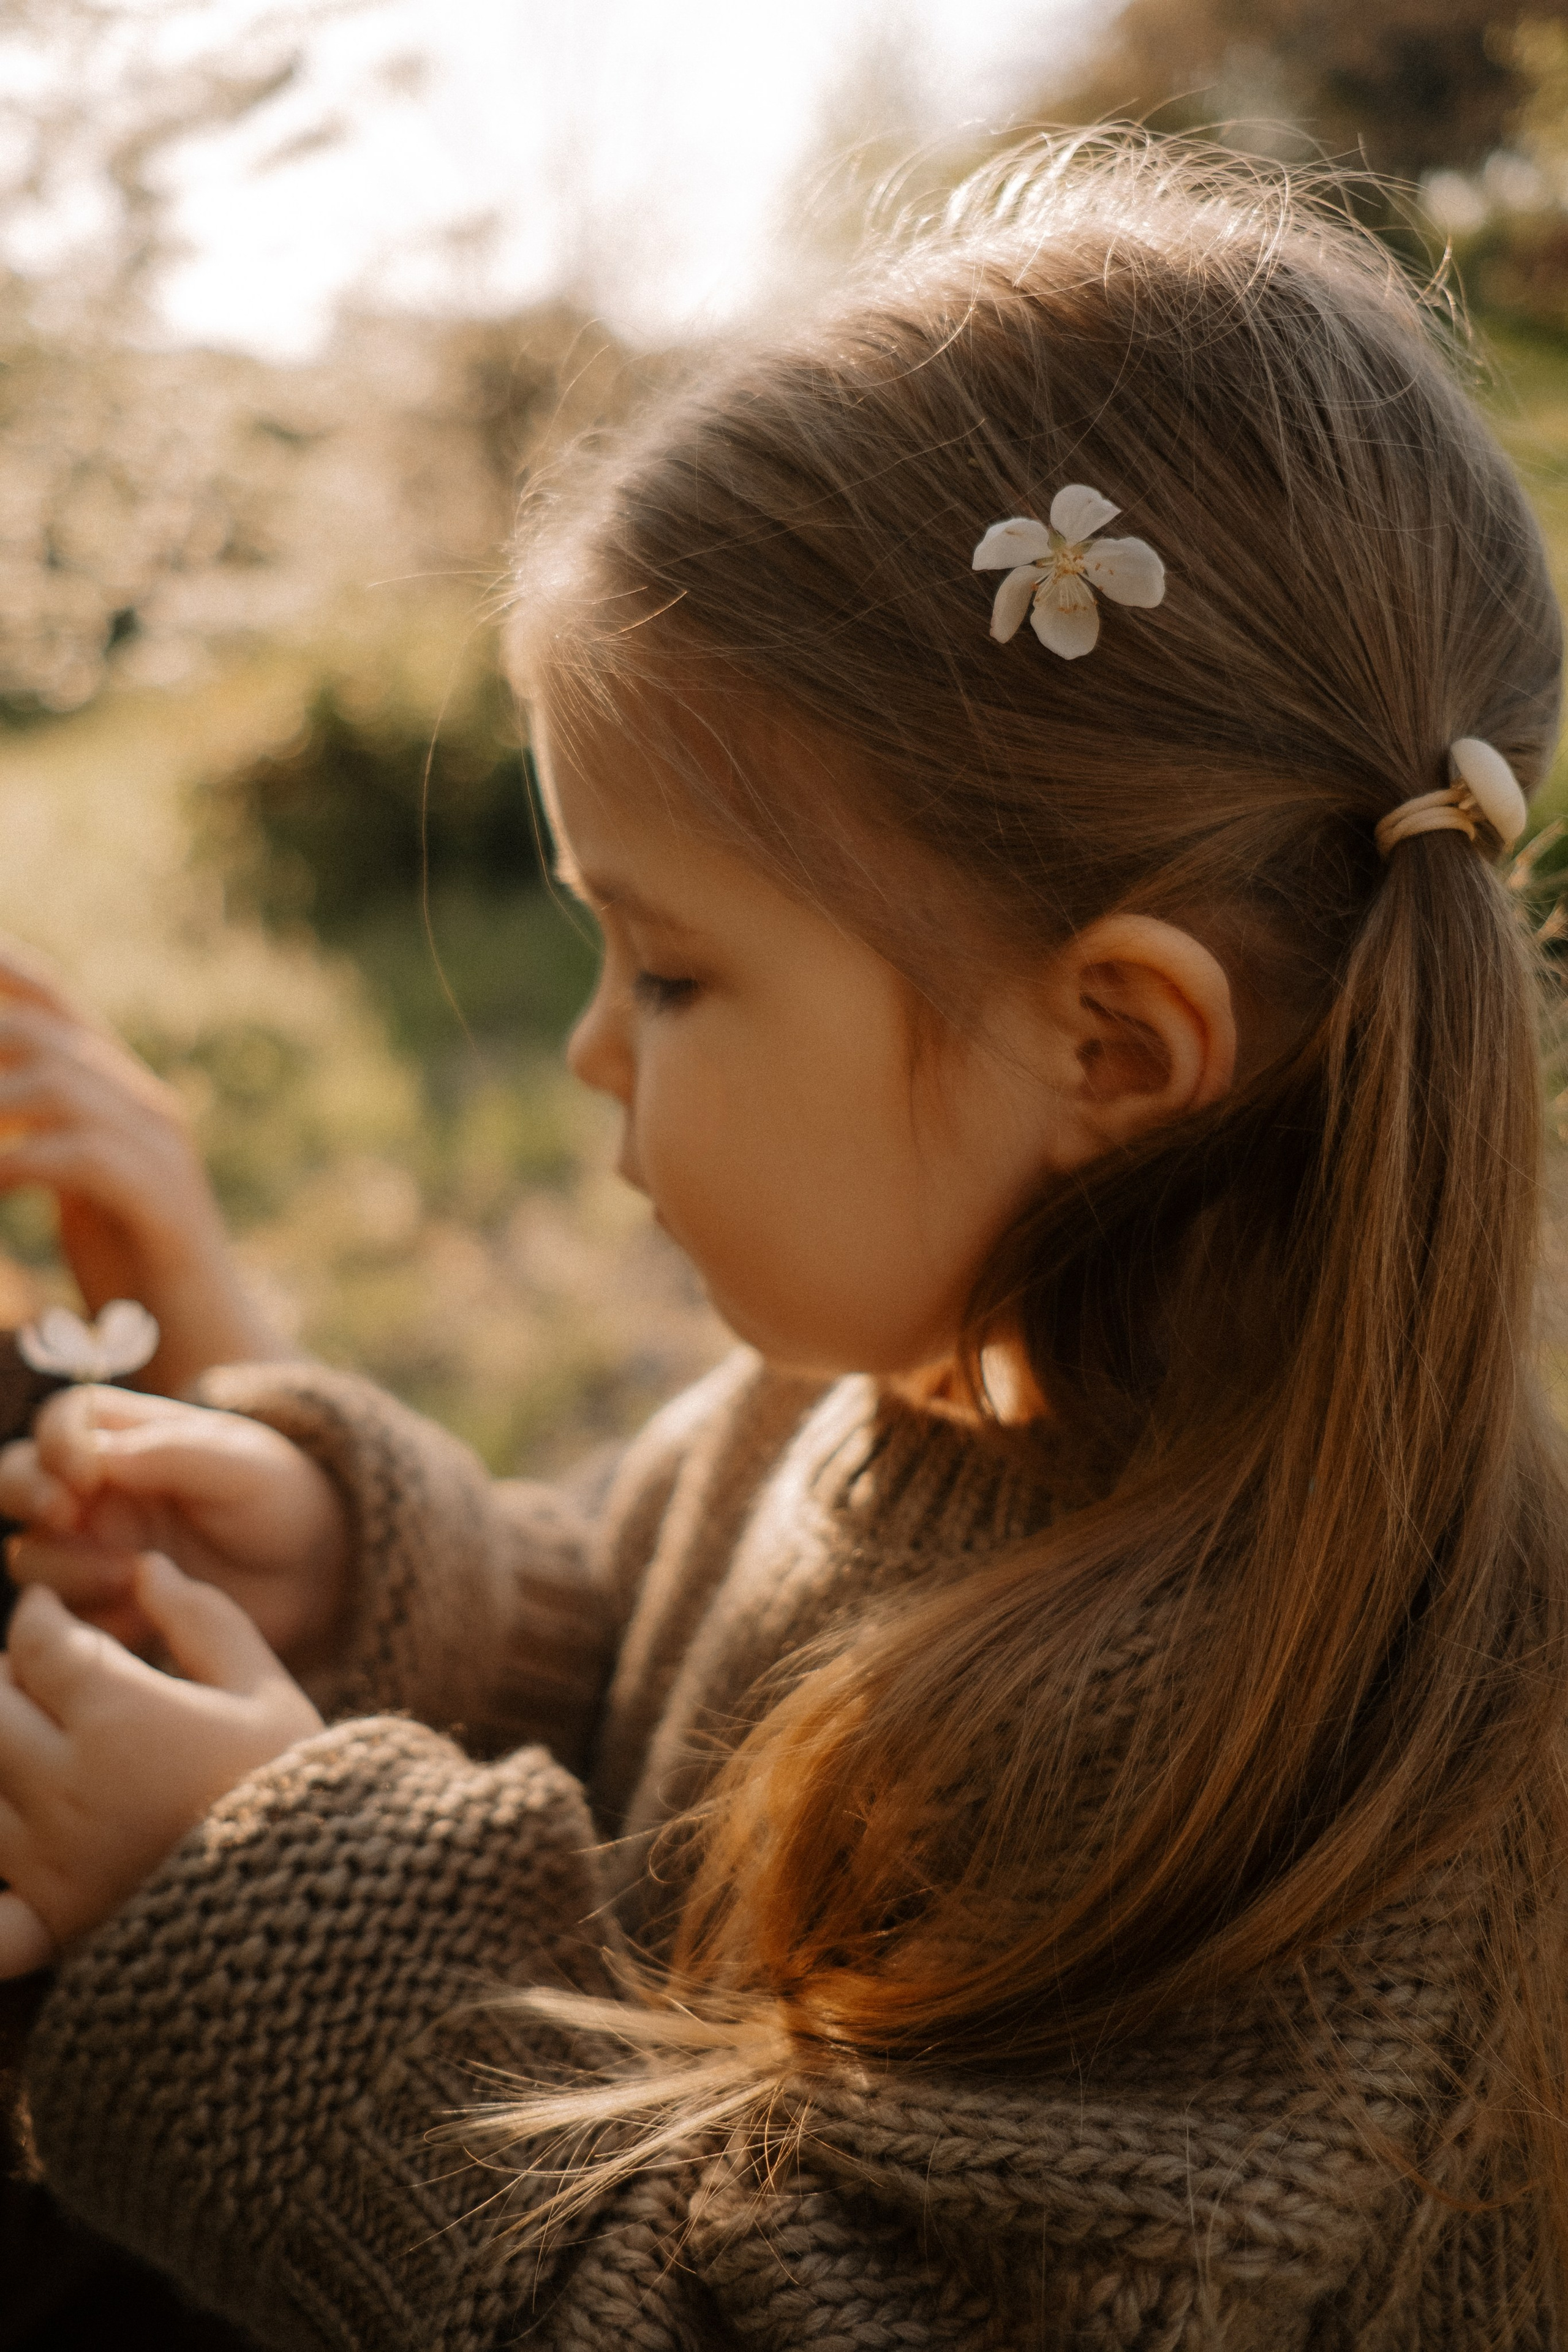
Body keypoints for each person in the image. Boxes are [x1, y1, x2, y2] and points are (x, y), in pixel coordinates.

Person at [0, 137, 1563, 2348]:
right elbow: (670, 1709)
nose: (587, 1057)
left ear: (1116, 1043)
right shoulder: (878, 1385)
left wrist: (271, 1944)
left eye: (669, 972)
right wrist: (383, 1590)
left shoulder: (1306, 1772)